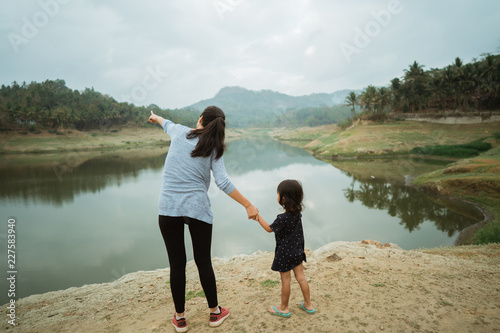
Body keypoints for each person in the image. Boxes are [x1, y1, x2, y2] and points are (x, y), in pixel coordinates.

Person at [148, 106, 259, 332]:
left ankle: (180, 318)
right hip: (197, 209)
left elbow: (164, 122)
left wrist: (154, 117)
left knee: (177, 264)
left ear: (200, 119)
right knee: (203, 261)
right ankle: (215, 313)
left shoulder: (179, 131)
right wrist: (248, 204)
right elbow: (223, 182)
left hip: (168, 208)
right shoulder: (213, 148)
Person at [255, 179, 315, 318]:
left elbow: (269, 229)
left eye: (277, 193)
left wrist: (258, 217)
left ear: (283, 198)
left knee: (286, 280)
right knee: (301, 277)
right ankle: (308, 304)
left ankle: (283, 308)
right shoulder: (297, 213)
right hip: (297, 251)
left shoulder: (282, 218)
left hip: (284, 254)